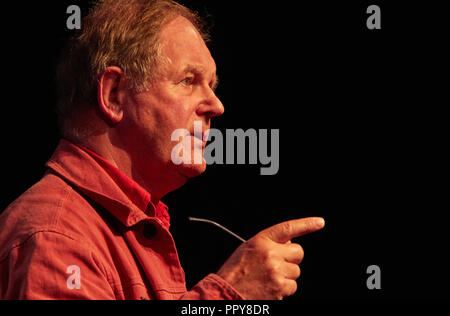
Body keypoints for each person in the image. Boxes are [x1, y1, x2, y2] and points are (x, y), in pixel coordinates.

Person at [0, 0, 324, 300]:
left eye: (212, 86)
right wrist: (228, 294)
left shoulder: (124, 223)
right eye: (188, 80)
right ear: (114, 95)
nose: (217, 105)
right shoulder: (58, 238)